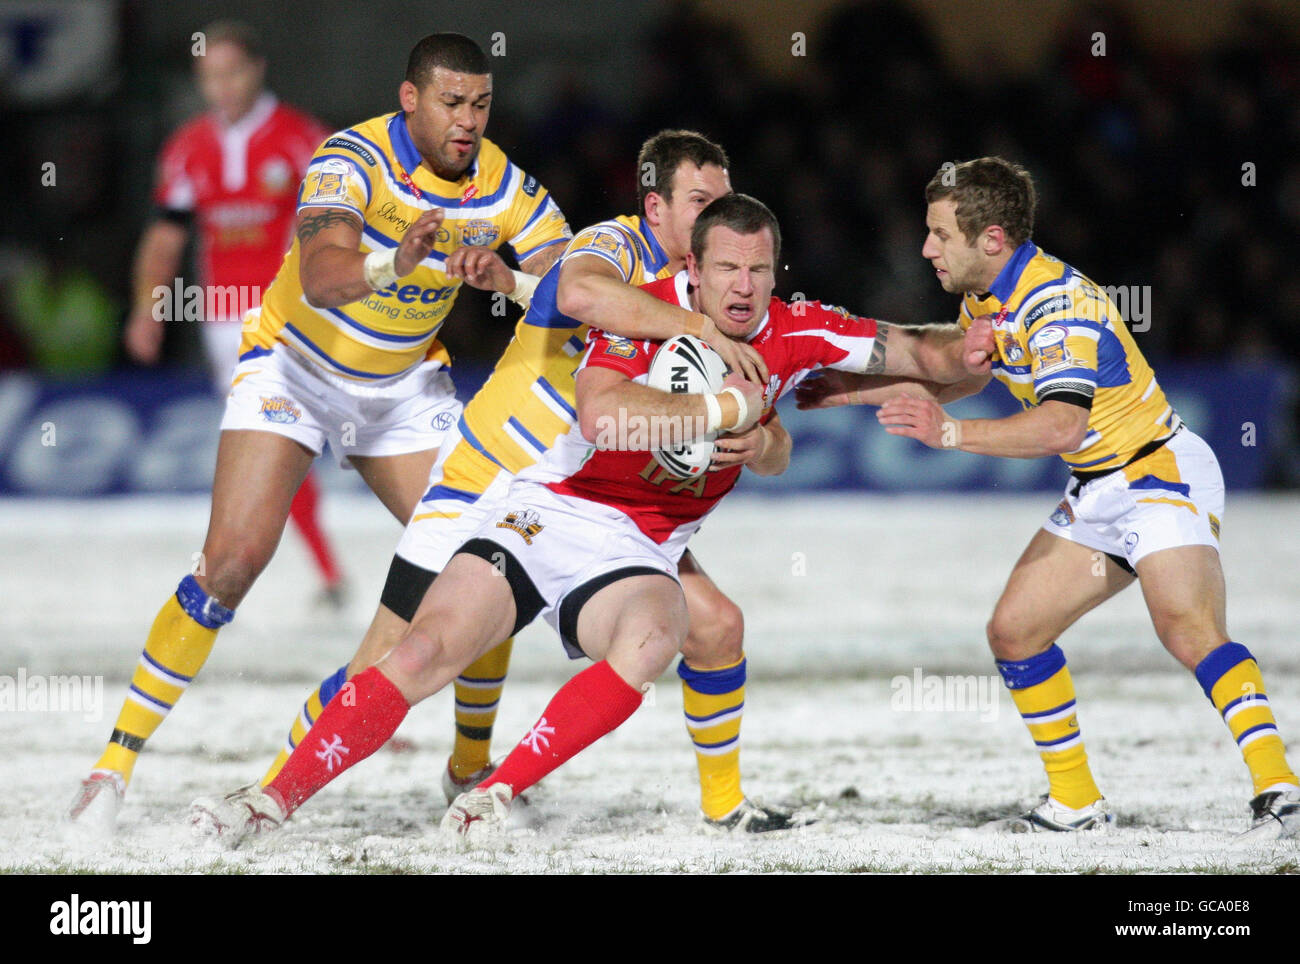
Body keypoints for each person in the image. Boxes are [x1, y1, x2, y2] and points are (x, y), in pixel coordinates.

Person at [188, 193, 982, 845]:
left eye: (759, 270)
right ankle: (267, 800)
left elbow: (930, 358)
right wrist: (725, 406)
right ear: (692, 272)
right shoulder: (647, 313)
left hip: (639, 545)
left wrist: (982, 339)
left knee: (658, 637)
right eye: (727, 269)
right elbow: (604, 420)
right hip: (549, 508)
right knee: (423, 651)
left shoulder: (799, 328)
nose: (743, 286)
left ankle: (490, 797)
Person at [65, 32, 573, 835]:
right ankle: (114, 765)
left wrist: (511, 279)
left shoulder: (506, 185)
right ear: (411, 100)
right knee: (232, 562)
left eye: (480, 103)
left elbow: (576, 286)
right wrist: (391, 264)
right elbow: (322, 274)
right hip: (294, 370)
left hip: (402, 391)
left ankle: (467, 766)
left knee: (487, 567)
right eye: (452, 102)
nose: (468, 120)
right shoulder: (350, 159)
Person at [250, 131, 793, 833]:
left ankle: (719, 806)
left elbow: (560, 300)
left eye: (724, 199)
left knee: (714, 622)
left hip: (585, 492)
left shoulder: (704, 283)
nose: (720, 213)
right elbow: (581, 289)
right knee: (388, 661)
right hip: (492, 469)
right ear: (655, 207)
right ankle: (266, 796)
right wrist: (699, 332)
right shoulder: (621, 246)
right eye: (701, 200)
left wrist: (512, 284)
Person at [804, 156, 1299, 840]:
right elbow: (969, 376)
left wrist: (951, 436)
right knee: (1015, 632)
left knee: (1186, 628)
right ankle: (1077, 803)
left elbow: (1062, 423)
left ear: (992, 240)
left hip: (1157, 472)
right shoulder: (987, 296)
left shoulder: (1056, 306)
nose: (926, 249)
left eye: (939, 234)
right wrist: (846, 392)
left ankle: (1282, 788)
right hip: (1100, 485)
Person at [123, 20, 346, 604]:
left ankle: (318, 570)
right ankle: (321, 571)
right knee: (274, 441)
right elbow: (166, 236)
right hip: (224, 318)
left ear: (256, 69)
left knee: (281, 437)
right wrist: (148, 308)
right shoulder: (187, 147)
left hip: (295, 314)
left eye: (229, 73)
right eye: (207, 77)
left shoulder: (304, 139)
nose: (219, 87)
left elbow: (346, 225)